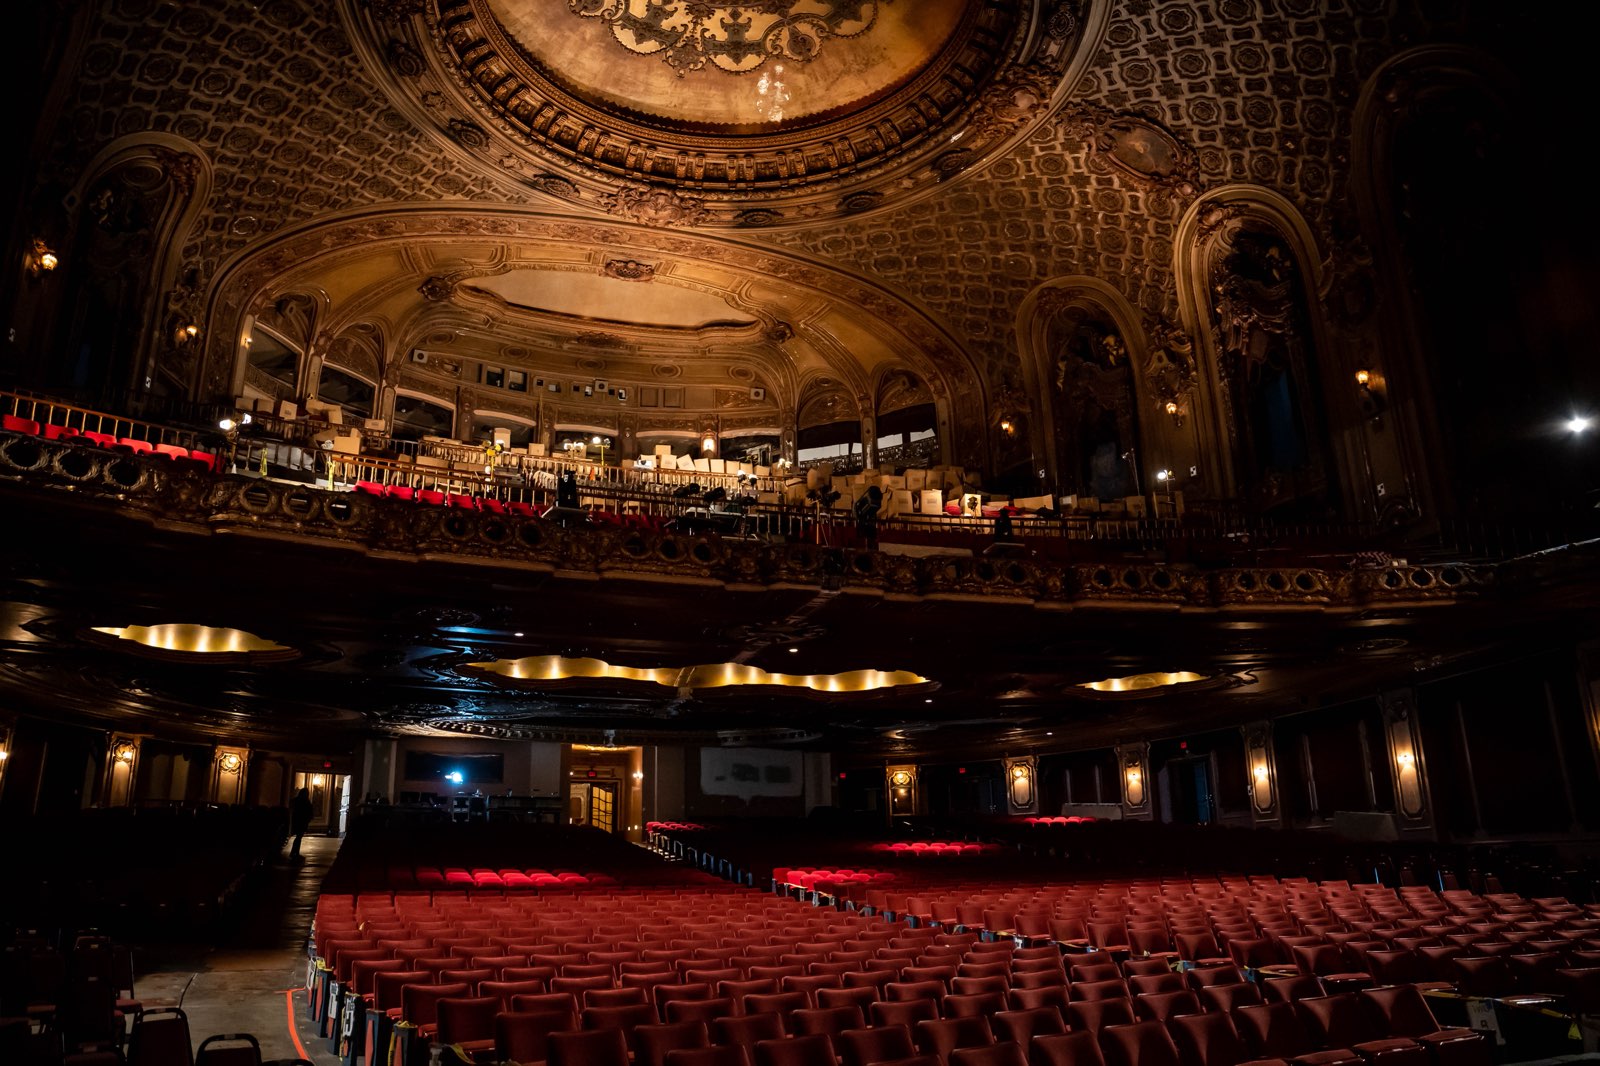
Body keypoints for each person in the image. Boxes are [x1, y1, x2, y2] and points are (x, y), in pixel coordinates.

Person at [853, 485, 883, 550]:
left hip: (869, 526)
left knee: (871, 543)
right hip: (865, 526)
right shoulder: (863, 503)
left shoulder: (872, 501)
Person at [288, 787, 313, 859]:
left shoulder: (296, 800)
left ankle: (294, 852)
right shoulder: (305, 801)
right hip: (301, 821)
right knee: (298, 838)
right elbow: (309, 810)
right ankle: (294, 852)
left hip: (298, 821)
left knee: (298, 838)